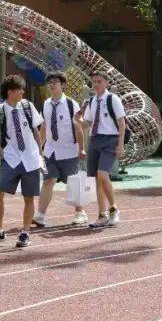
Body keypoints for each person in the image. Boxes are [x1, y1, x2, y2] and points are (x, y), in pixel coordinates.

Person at [0, 75, 45, 248]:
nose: (23, 92)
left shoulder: (28, 106)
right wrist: (1, 151)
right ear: (10, 92)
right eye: (20, 89)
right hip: (12, 158)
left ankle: (25, 232)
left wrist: (40, 153)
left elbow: (36, 130)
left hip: (31, 158)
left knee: (29, 197)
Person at [34, 72, 87, 228]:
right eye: (50, 82)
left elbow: (78, 128)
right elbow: (44, 127)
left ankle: (80, 213)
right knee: (48, 181)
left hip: (69, 150)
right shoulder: (46, 104)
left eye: (55, 82)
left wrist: (81, 148)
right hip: (50, 151)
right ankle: (40, 215)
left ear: (63, 85)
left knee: (72, 183)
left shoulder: (71, 104)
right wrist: (39, 148)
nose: (52, 85)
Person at [81, 71, 126, 229]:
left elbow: (121, 123)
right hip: (94, 140)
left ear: (107, 83)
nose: (96, 84)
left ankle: (113, 209)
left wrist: (120, 144)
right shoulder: (91, 101)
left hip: (110, 140)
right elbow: (87, 122)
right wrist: (77, 119)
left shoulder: (113, 99)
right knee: (96, 179)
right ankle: (102, 215)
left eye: (99, 81)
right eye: (93, 82)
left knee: (102, 174)